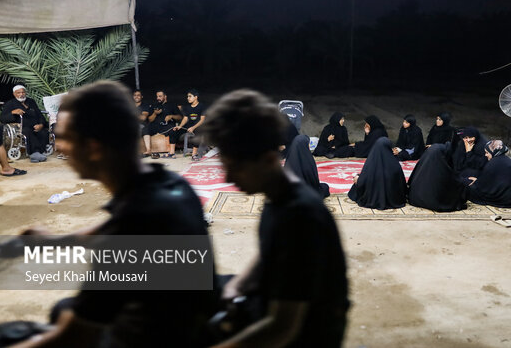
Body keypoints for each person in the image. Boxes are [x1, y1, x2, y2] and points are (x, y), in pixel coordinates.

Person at [12, 81, 217, 348]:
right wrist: (57, 243)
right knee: (63, 307)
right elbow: (111, 227)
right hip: (186, 322)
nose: (60, 148)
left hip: (157, 337)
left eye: (65, 138)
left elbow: (75, 334)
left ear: (95, 147)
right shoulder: (165, 183)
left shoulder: (135, 223)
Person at [203, 89, 349, 348]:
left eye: (235, 168)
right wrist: (237, 285)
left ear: (269, 159)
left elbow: (282, 328)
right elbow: (271, 253)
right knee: (187, 281)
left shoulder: (298, 216)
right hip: (278, 301)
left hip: (308, 332)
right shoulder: (280, 195)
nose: (227, 179)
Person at [348, 137, 407, 210]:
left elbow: (363, 181)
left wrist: (358, 179)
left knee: (357, 183)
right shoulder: (395, 164)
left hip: (372, 197)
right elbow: (402, 185)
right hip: (394, 199)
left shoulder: (371, 163)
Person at [467, 140, 511, 208]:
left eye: (487, 152)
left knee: (469, 190)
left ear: (492, 151)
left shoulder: (493, 163)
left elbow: (482, 188)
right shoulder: (508, 160)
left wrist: (476, 183)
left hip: (508, 201)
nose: (485, 155)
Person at [407, 143, 465, 211]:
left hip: (415, 199)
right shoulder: (442, 167)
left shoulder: (422, 164)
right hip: (434, 203)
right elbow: (454, 181)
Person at [0, 85, 48, 163]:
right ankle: (34, 153)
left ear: (25, 93)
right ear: (14, 94)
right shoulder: (10, 104)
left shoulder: (31, 101)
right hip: (22, 127)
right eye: (18, 93)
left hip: (36, 125)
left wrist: (41, 124)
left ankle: (39, 153)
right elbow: (2, 118)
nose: (21, 94)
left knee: (43, 132)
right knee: (27, 131)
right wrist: (12, 112)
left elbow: (39, 114)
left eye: (23, 92)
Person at [169, 88, 207, 160]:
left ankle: (194, 154)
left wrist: (193, 127)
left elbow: (202, 120)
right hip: (188, 126)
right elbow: (185, 118)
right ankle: (171, 153)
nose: (188, 98)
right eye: (187, 96)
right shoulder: (187, 107)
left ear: (196, 97)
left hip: (197, 126)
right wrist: (180, 126)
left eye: (190, 96)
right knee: (173, 131)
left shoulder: (202, 106)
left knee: (198, 132)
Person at [143, 90, 182, 157]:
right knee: (145, 129)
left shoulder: (172, 105)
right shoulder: (154, 105)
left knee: (173, 130)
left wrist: (171, 116)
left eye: (160, 96)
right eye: (157, 96)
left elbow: (180, 117)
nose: (158, 98)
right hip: (156, 126)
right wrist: (155, 113)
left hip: (167, 125)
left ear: (165, 96)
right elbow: (149, 119)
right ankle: (148, 150)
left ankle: (171, 152)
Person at [133, 89, 152, 156]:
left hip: (141, 125)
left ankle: (148, 150)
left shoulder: (145, 105)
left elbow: (143, 117)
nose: (136, 97)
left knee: (144, 127)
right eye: (135, 95)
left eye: (138, 95)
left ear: (142, 97)